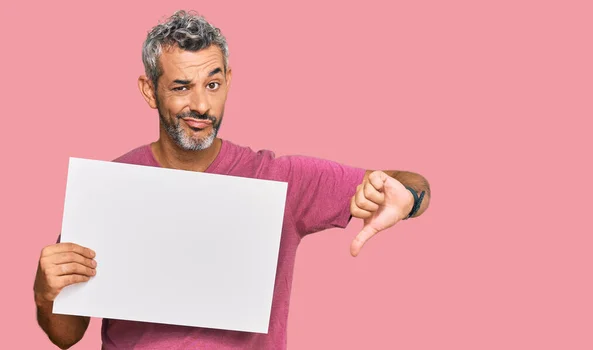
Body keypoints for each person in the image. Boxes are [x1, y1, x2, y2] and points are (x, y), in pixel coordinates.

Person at [33, 10, 431, 350]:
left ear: (228, 80)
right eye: (181, 87)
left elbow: (407, 182)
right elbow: (67, 336)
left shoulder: (280, 179)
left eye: (213, 84)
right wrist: (44, 291)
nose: (202, 105)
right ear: (149, 90)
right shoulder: (108, 188)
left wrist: (408, 196)